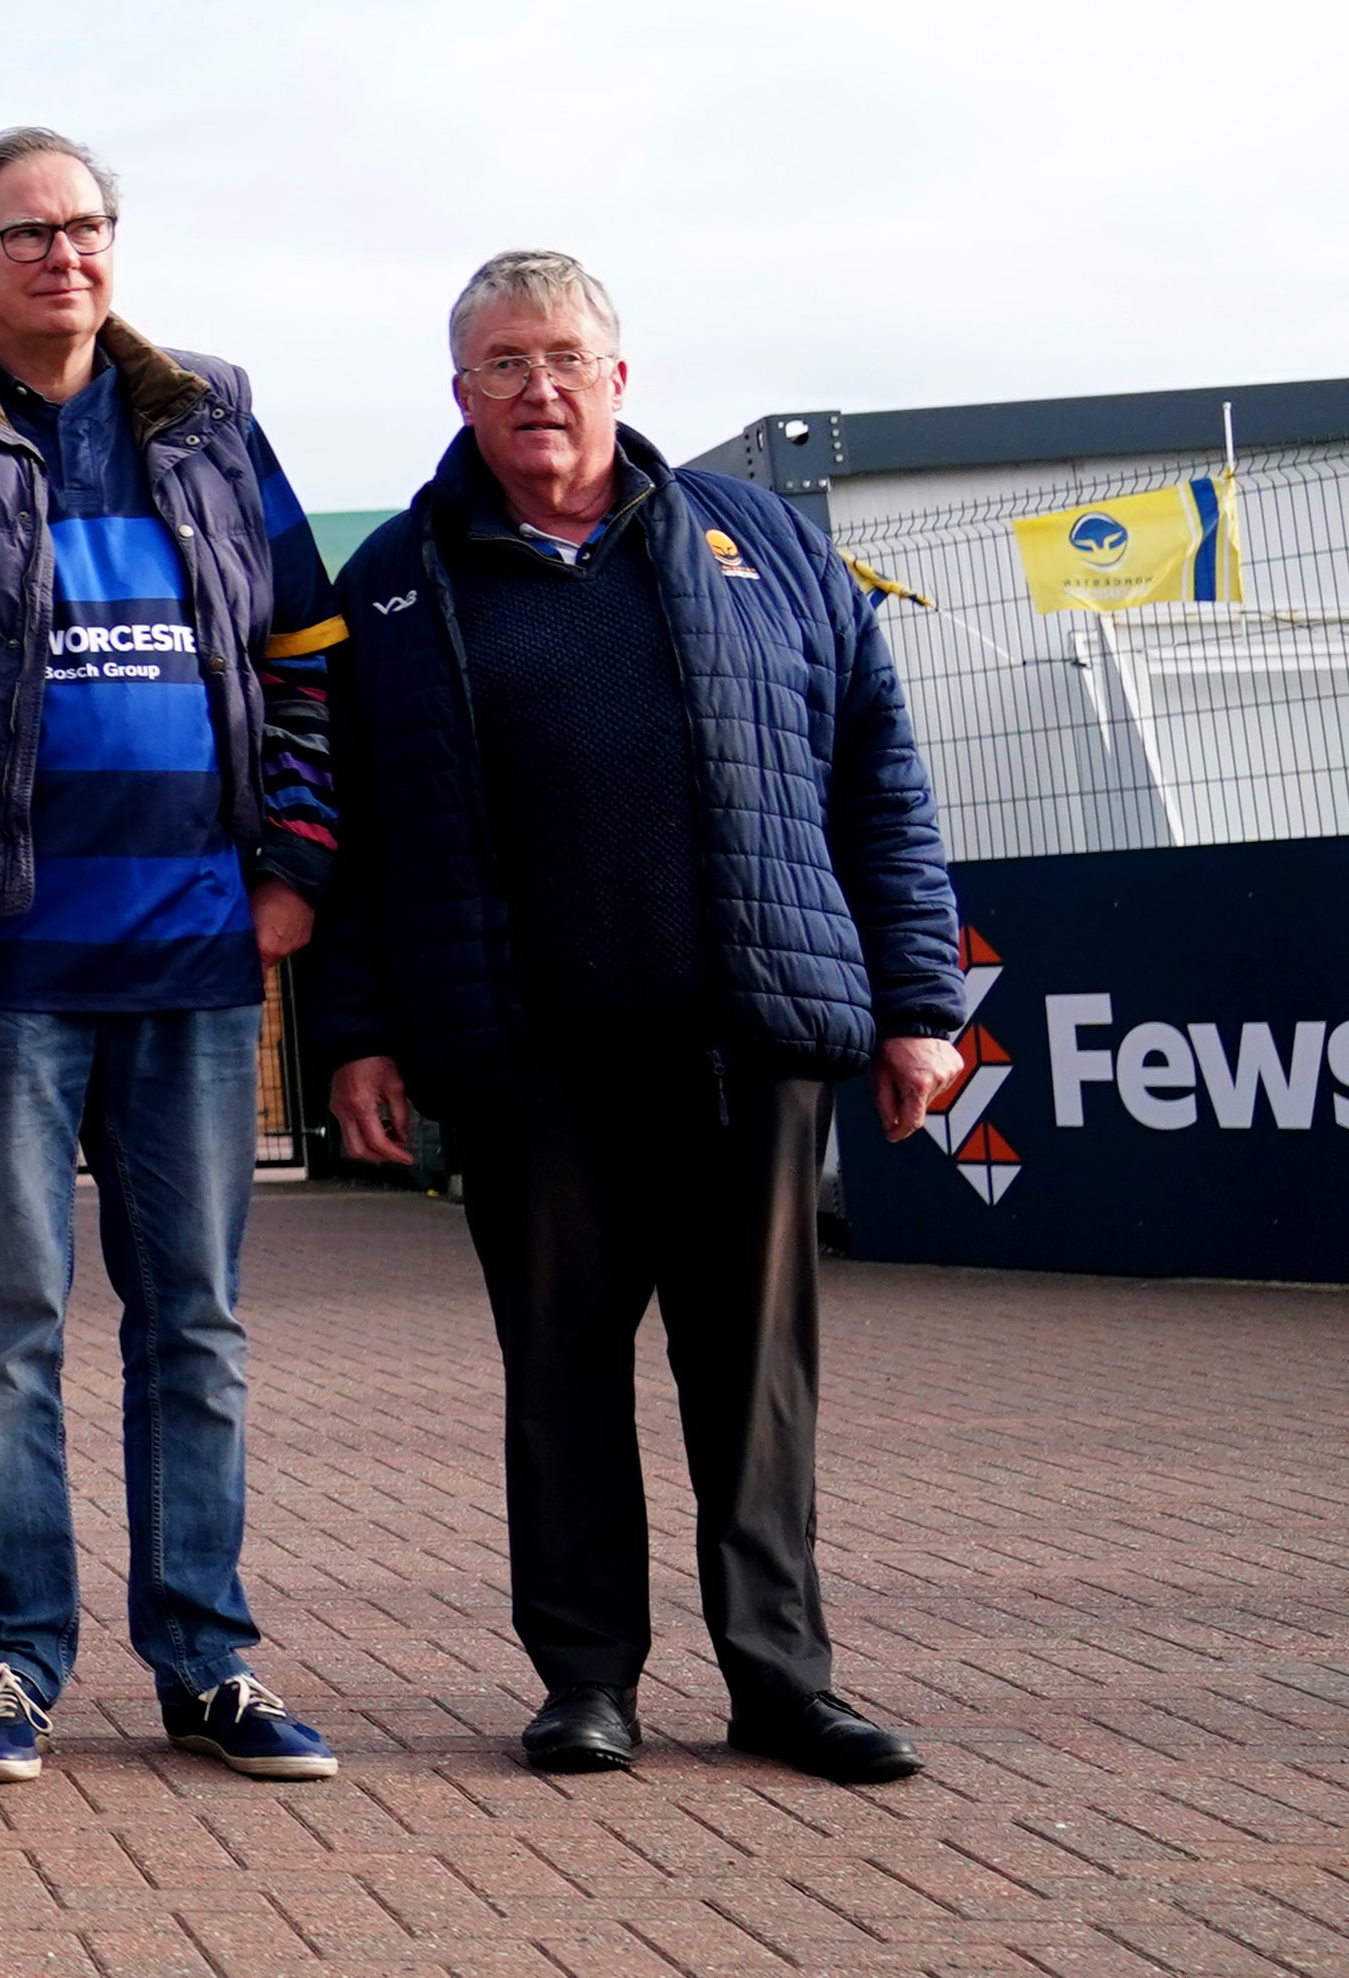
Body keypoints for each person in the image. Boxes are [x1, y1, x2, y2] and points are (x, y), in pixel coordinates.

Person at [307, 253, 964, 1786]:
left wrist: (918, 1003)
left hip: (744, 1036)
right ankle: (586, 1680)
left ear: (620, 375)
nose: (538, 389)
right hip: (529, 1052)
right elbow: (345, 838)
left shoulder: (768, 546)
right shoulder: (396, 583)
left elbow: (880, 781)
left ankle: (783, 1681)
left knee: (755, 1380)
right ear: (459, 390)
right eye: (502, 365)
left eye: (565, 358)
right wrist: (357, 1034)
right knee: (562, 1374)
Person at [0, 124, 349, 1787]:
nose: (68, 255)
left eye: (90, 226)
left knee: (194, 1323)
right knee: (4, 1330)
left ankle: (208, 1663)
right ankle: (12, 1670)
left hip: (197, 958)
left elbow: (308, 654)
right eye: (29, 232)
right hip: (1, 975)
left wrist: (300, 871)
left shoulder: (210, 406)